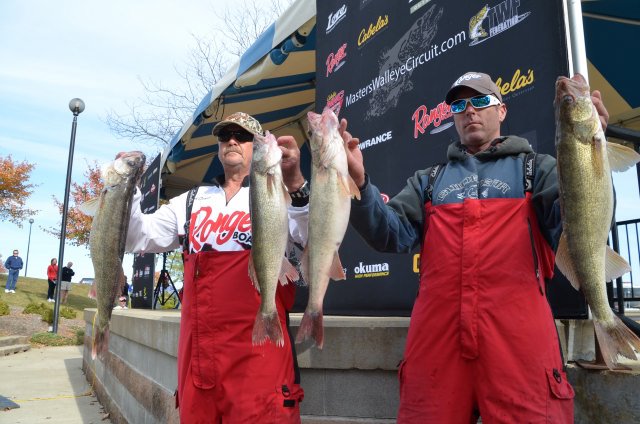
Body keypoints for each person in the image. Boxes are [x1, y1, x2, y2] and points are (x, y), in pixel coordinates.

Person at [343, 72, 609, 423]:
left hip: (519, 344)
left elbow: (577, 223)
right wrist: (360, 183)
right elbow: (387, 233)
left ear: (502, 111)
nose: (470, 111)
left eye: (481, 101)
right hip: (437, 347)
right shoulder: (428, 181)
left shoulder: (538, 169)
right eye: (459, 105)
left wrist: (590, 154)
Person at [124, 112, 308, 423]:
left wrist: (297, 185)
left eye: (243, 136)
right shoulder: (190, 201)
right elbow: (137, 237)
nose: (232, 141)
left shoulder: (279, 194)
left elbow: (311, 237)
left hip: (259, 358)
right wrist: (127, 188)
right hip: (200, 362)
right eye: (225, 136)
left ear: (255, 148)